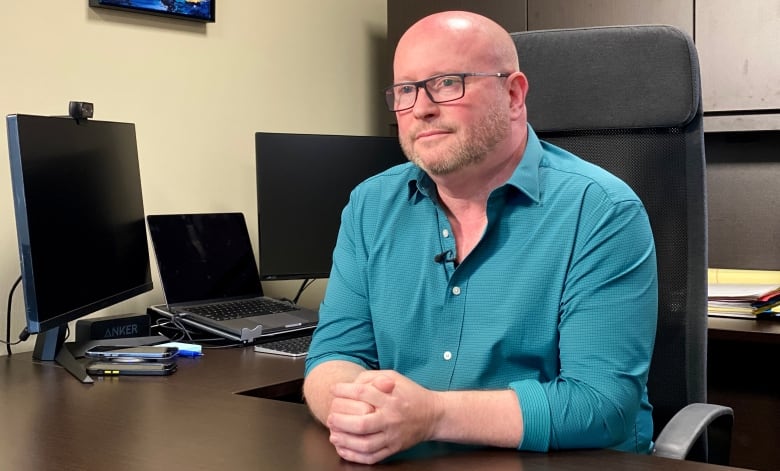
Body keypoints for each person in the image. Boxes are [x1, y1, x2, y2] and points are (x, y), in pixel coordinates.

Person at [303, 10, 658, 465]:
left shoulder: (601, 211)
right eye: (406, 90)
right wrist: (356, 411)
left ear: (513, 94)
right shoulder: (370, 205)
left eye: (448, 83)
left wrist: (429, 416)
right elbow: (333, 356)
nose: (422, 108)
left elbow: (601, 405)